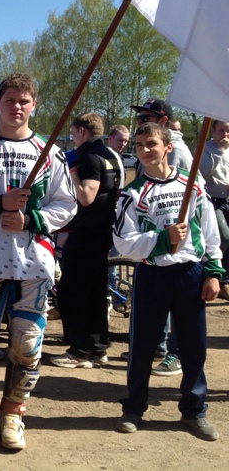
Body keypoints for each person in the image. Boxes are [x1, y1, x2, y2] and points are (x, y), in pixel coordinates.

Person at [0, 73, 77, 449]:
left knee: (26, 343)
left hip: (33, 264)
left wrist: (32, 220)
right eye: (10, 100)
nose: (17, 107)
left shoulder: (49, 151)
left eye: (24, 101)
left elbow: (67, 205)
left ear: (34, 104)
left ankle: (13, 414)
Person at [113, 123, 222, 442]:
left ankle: (194, 410)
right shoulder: (132, 193)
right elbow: (123, 241)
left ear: (167, 147)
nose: (144, 150)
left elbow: (209, 229)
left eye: (151, 144)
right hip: (152, 275)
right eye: (139, 145)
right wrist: (163, 238)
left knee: (193, 347)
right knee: (142, 346)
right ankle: (133, 408)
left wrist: (213, 271)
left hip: (190, 273)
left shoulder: (193, 184)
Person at [50, 113, 120, 368]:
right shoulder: (110, 155)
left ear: (81, 131)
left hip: (86, 232)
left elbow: (87, 197)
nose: (73, 138)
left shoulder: (89, 157)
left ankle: (79, 351)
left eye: (73, 133)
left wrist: (72, 174)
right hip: (102, 230)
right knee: (95, 292)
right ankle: (98, 349)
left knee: (70, 292)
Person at [130, 99, 188, 376]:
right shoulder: (148, 146)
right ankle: (159, 345)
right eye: (139, 118)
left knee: (180, 305)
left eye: (145, 118)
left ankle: (176, 353)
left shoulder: (176, 152)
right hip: (156, 240)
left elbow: (188, 199)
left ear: (163, 121)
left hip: (178, 244)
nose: (140, 122)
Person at [199, 119, 229, 300]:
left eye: (228, 131)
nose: (225, 135)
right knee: (224, 237)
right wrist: (219, 152)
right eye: (221, 131)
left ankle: (224, 280)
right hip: (212, 200)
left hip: (227, 198)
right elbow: (203, 172)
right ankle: (212, 272)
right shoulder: (206, 148)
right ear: (213, 131)